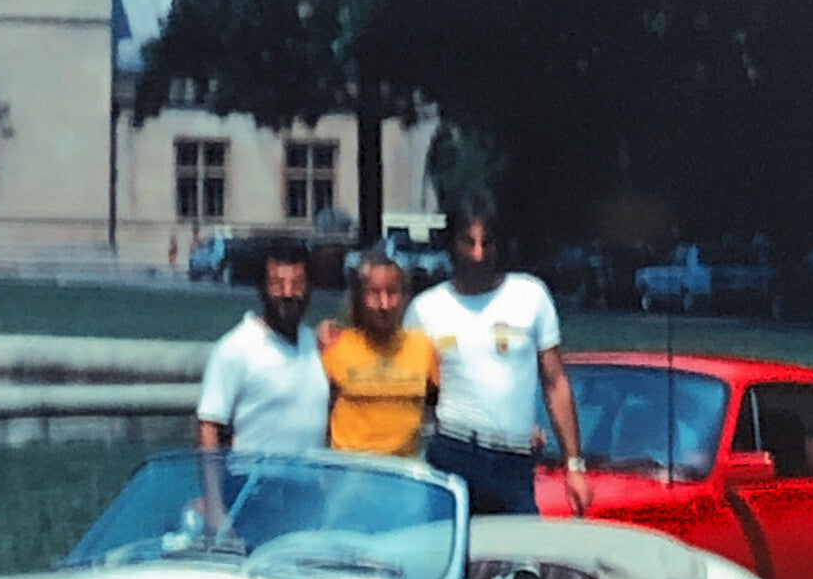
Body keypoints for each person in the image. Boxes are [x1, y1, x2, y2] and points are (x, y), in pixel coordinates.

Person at [406, 192, 592, 516]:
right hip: (455, 454)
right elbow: (404, 385)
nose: (478, 254)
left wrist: (574, 465)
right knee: (456, 562)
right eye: (468, 242)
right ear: (452, 244)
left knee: (522, 563)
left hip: (515, 463)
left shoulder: (530, 295)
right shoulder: (426, 309)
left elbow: (555, 382)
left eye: (487, 243)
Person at [196, 239, 329, 452]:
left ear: (310, 289)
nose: (288, 293)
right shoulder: (234, 348)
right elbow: (209, 428)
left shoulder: (315, 344)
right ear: (261, 288)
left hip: (309, 481)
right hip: (252, 480)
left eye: (297, 285)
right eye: (278, 284)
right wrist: (213, 486)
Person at [321, 254, 440, 457]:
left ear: (404, 297)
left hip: (402, 476)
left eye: (392, 292)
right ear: (359, 298)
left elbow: (440, 405)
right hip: (349, 474)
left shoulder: (423, 348)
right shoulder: (335, 347)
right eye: (374, 293)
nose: (384, 304)